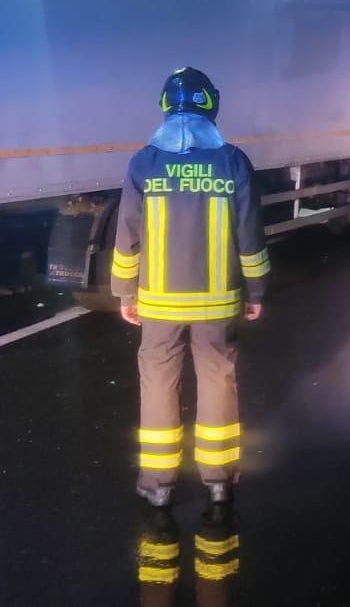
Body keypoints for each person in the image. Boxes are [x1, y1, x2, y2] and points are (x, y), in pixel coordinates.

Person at [112, 67, 269, 508]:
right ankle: (218, 480)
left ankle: (158, 485)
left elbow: (128, 236)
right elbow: (250, 234)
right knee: (219, 380)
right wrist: (256, 291)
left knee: (159, 383)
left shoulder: (145, 162)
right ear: (210, 105)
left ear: (165, 106)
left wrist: (125, 292)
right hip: (218, 303)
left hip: (159, 306)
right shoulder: (232, 161)